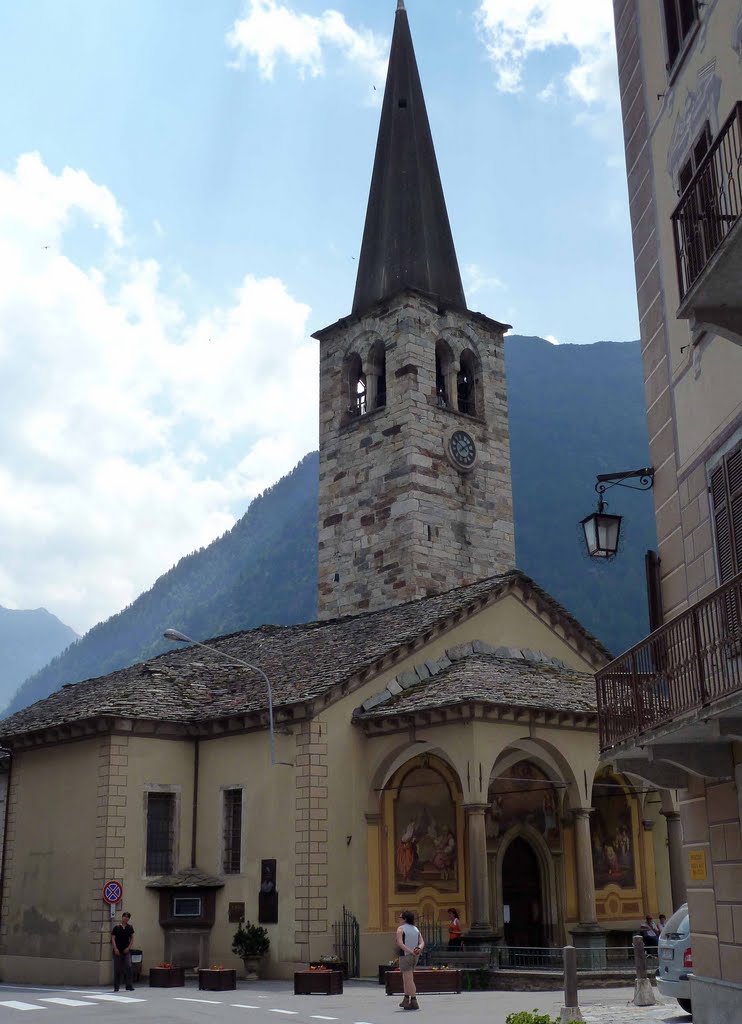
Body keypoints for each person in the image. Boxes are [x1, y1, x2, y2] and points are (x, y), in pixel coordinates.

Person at [396, 910, 424, 1011]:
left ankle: (414, 1000)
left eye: (400, 917)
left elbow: (400, 943)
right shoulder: (416, 929)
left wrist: (410, 951)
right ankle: (406, 999)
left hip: (405, 956)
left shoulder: (401, 929)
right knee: (406, 978)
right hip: (415, 956)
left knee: (409, 979)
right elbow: (422, 942)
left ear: (405, 919)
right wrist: (419, 948)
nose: (399, 919)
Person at [111, 911, 135, 992]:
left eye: (127, 917)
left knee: (129, 966)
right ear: (122, 917)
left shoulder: (130, 927)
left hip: (126, 950)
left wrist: (128, 947)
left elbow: (132, 938)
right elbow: (113, 938)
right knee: (117, 969)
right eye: (124, 916)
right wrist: (115, 948)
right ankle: (116, 986)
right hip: (117, 950)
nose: (126, 918)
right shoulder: (116, 927)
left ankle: (129, 985)